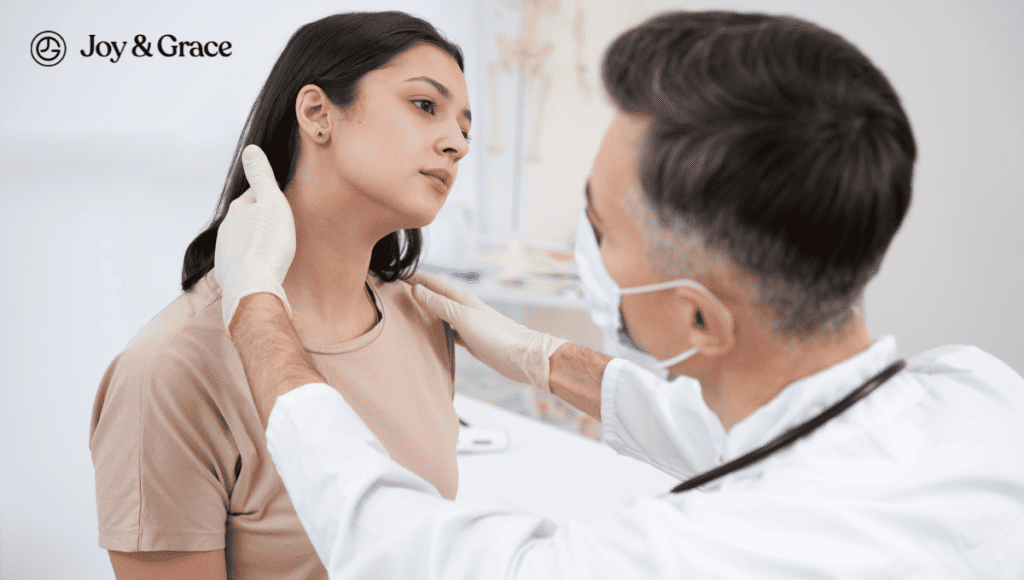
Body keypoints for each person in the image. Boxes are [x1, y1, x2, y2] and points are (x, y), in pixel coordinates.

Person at [218, 10, 1024, 579]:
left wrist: (257, 312)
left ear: (698, 317)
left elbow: (400, 550)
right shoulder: (980, 394)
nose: (457, 143)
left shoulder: (690, 556)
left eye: (598, 229)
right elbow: (761, 437)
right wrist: (547, 361)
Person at [88, 11, 471, 579]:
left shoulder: (424, 325)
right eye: (424, 106)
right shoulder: (169, 373)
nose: (456, 144)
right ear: (318, 114)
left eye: (467, 128)